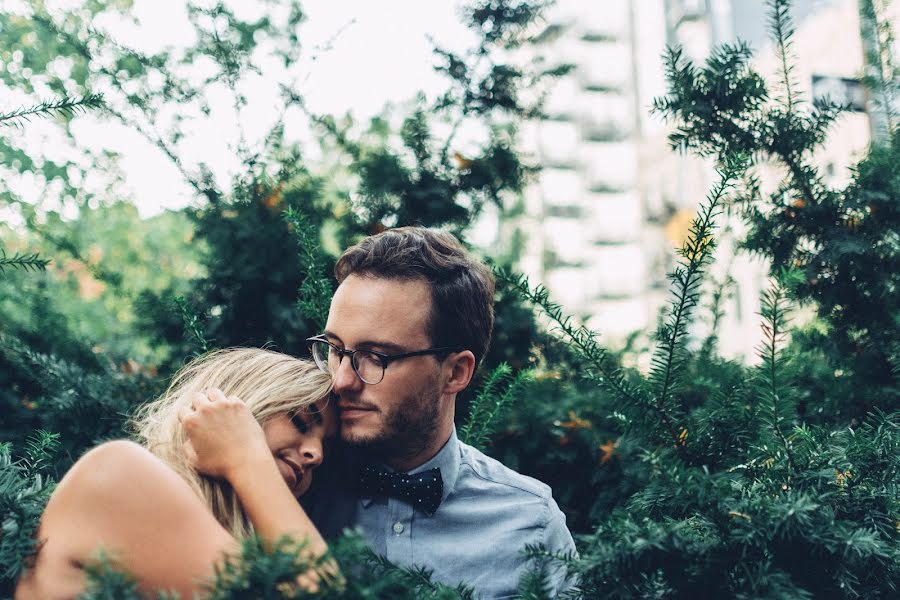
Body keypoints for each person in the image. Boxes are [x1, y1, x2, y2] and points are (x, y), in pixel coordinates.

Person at [232, 226, 576, 598]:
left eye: (377, 357)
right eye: (334, 349)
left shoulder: (531, 523)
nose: (342, 380)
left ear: (455, 372)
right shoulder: (284, 483)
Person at [14, 348, 336, 600]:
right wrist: (246, 457)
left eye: (326, 447)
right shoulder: (120, 475)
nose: (316, 455)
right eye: (300, 421)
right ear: (234, 406)